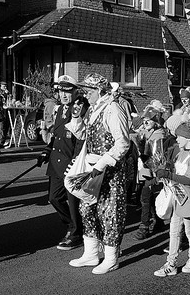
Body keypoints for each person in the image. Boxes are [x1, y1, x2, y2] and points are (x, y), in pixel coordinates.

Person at [67, 73, 130, 275]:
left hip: (110, 171)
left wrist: (102, 163)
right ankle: (91, 253)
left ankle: (111, 258)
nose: (86, 94)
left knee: (110, 212)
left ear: (100, 91)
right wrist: (76, 118)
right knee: (87, 209)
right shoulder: (95, 109)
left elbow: (123, 143)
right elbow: (85, 136)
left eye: (89, 90)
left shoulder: (113, 109)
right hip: (92, 168)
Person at [153, 121, 190, 277]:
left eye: (179, 136)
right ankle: (171, 263)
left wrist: (169, 175)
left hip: (188, 200)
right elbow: (175, 171)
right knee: (174, 232)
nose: (176, 138)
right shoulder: (181, 152)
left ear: (188, 138)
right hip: (178, 197)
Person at [37, 75, 88, 251]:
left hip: (70, 162)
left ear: (75, 91)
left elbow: (81, 140)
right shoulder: (59, 110)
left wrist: (75, 161)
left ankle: (75, 234)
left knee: (73, 202)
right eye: (61, 91)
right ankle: (74, 226)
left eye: (67, 91)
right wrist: (46, 151)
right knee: (54, 198)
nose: (63, 95)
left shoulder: (80, 108)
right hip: (56, 161)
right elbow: (56, 135)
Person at [134, 106, 167, 240]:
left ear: (156, 122)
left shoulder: (159, 136)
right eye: (144, 120)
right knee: (150, 198)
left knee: (145, 198)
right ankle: (157, 221)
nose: (145, 123)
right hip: (145, 170)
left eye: (149, 120)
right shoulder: (147, 133)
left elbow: (156, 159)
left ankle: (144, 226)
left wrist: (142, 151)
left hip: (152, 172)